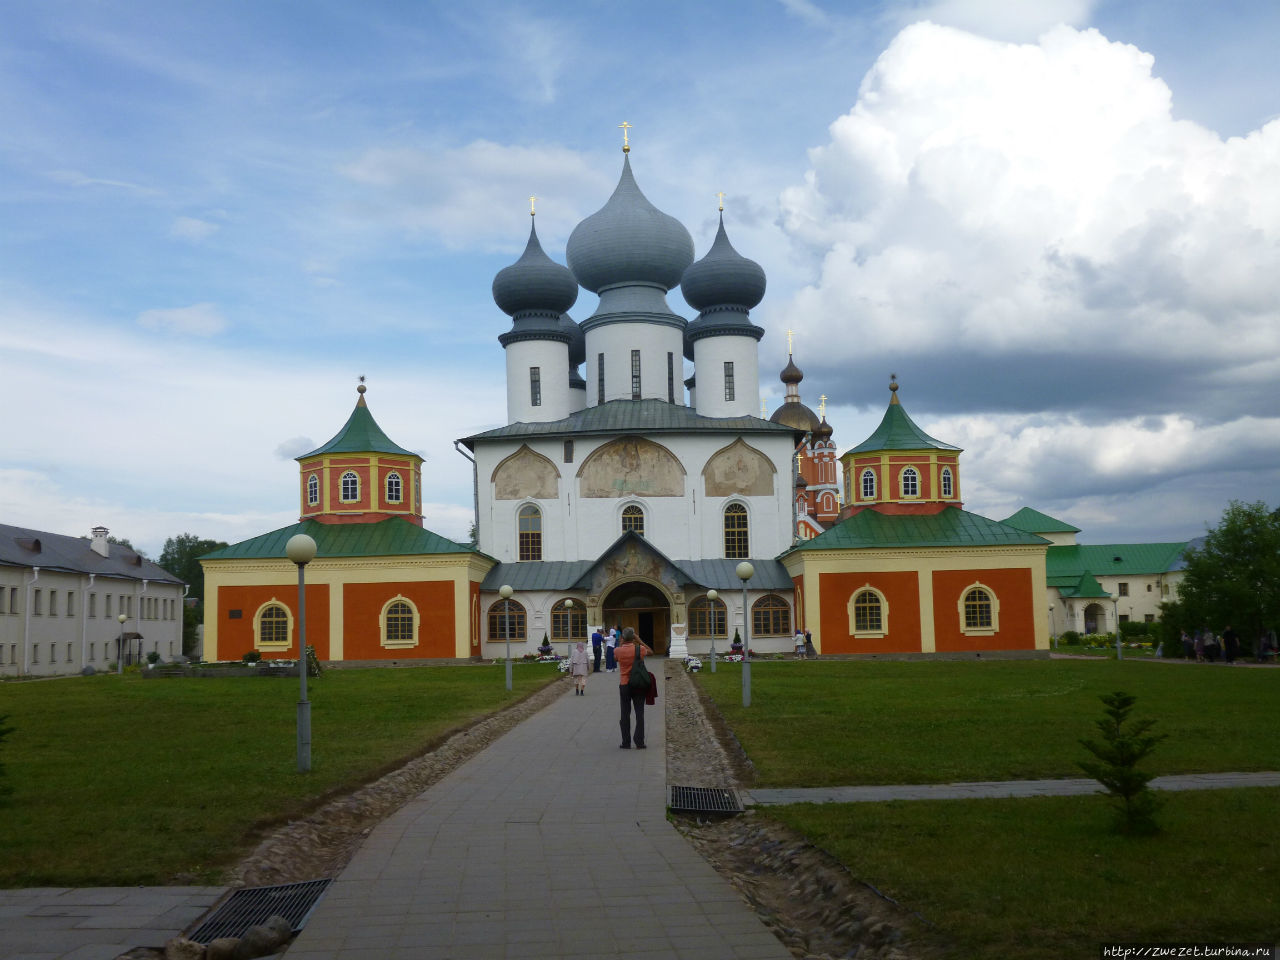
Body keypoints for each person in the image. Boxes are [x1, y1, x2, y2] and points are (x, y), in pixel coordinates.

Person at [614, 627, 653, 749]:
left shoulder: (618, 650)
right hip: (638, 684)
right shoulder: (639, 649)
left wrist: (621, 642)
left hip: (625, 684)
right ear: (633, 637)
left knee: (625, 714)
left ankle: (626, 742)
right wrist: (639, 640)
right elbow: (650, 651)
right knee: (639, 713)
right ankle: (639, 742)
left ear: (623, 638)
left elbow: (615, 658)